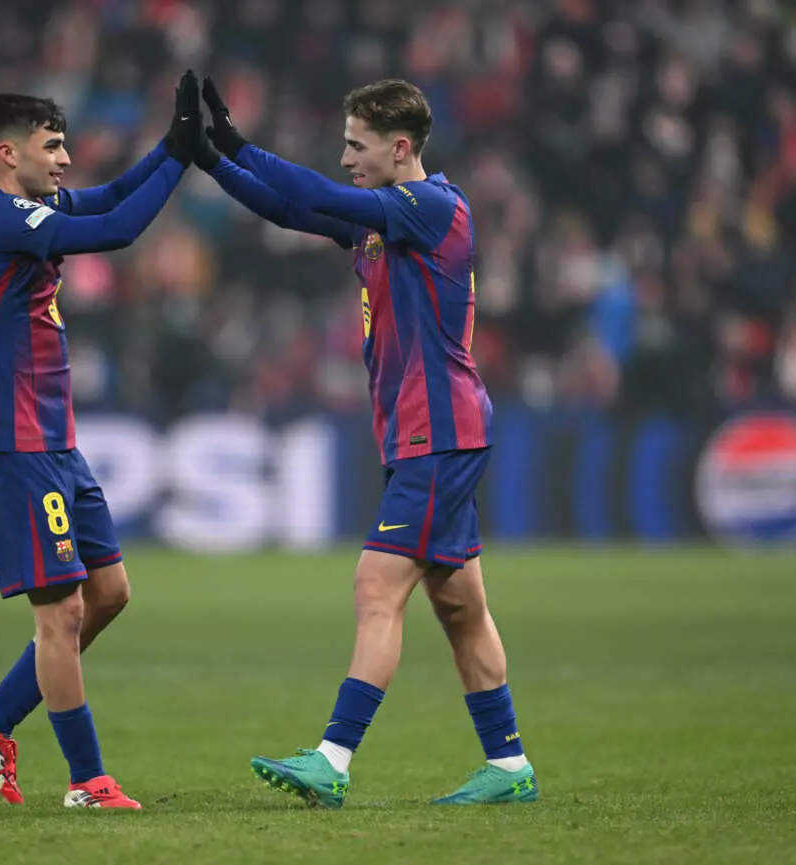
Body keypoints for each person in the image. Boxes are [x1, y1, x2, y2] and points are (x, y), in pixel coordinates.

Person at [194, 77, 538, 807]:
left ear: (400, 148)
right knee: (460, 604)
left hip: (437, 431)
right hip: (427, 432)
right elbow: (293, 207)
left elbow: (329, 196)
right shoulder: (388, 221)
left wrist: (237, 143)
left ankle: (333, 756)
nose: (346, 156)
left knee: (377, 586)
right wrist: (214, 161)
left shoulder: (432, 206)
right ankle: (509, 765)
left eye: (357, 144)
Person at [0, 72, 203, 810]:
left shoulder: (30, 208)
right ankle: (88, 781)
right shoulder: (2, 220)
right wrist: (182, 162)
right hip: (11, 440)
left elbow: (112, 197)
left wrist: (172, 147)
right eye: (51, 146)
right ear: (7, 153)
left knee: (109, 592)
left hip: (53, 438)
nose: (66, 159)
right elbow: (117, 231)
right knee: (59, 614)